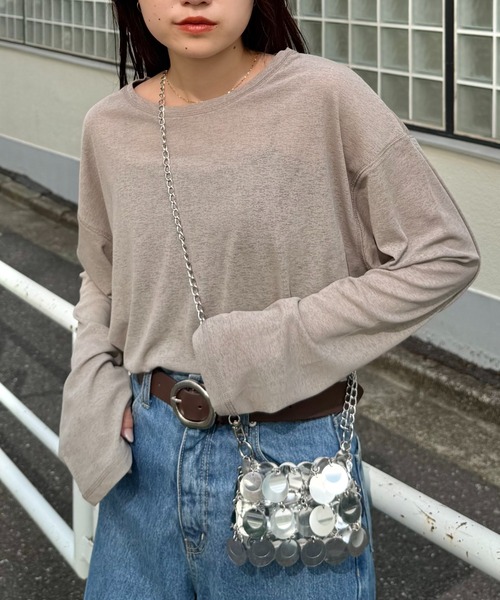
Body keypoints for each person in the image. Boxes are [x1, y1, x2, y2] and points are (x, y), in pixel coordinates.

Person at [59, 0, 480, 598]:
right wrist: (89, 379)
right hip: (143, 454)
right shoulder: (108, 126)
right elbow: (103, 275)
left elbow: (442, 254)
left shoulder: (323, 97)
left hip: (292, 451)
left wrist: (268, 346)